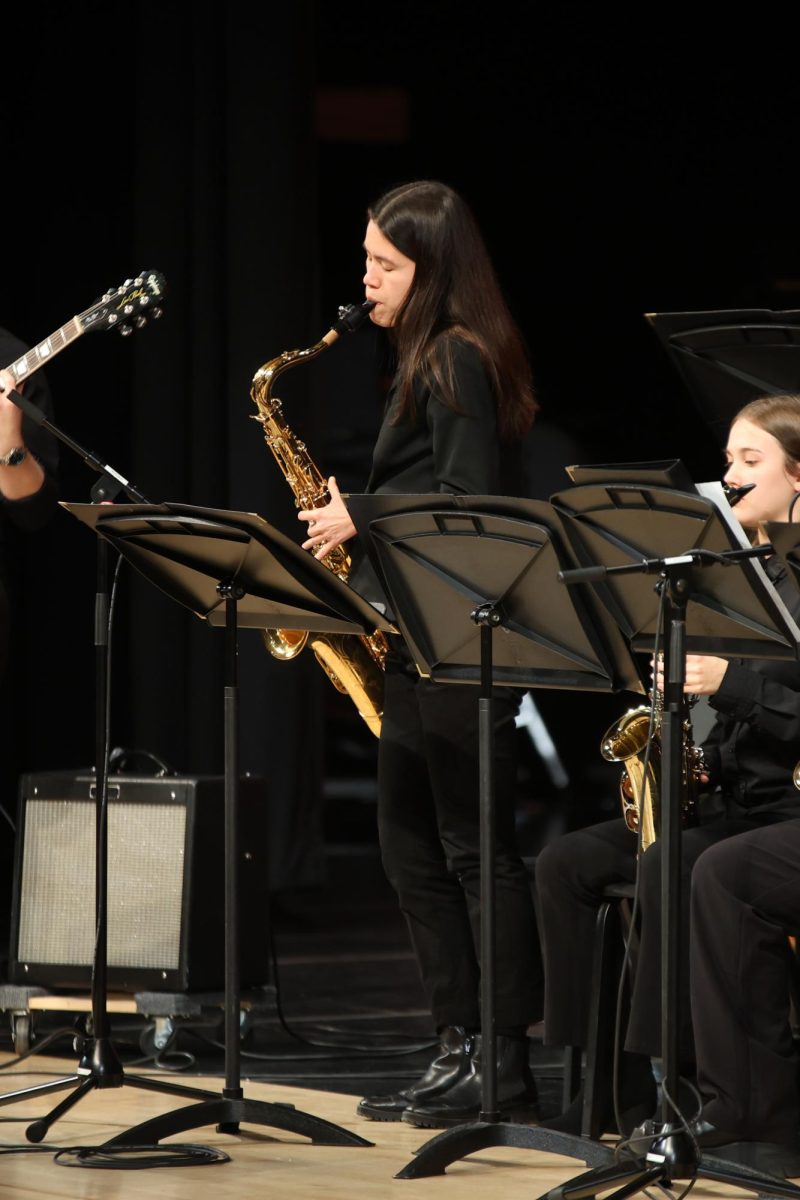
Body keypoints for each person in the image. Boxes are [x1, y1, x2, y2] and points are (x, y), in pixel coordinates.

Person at [297, 179, 544, 1128]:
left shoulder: (458, 359)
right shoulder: (421, 360)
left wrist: (367, 512)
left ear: (433, 271)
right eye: (365, 260)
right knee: (409, 852)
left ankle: (504, 1058)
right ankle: (457, 1042)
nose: (366, 282)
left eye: (385, 266)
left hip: (466, 636)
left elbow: (472, 508)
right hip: (414, 633)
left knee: (479, 853)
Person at [534, 392, 800, 1144]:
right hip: (731, 796)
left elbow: (775, 707)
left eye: (750, 461)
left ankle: (678, 1085)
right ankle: (600, 1089)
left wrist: (732, 685)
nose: (731, 477)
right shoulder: (739, 573)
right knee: (564, 864)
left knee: (674, 867)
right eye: (727, 461)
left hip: (781, 806)